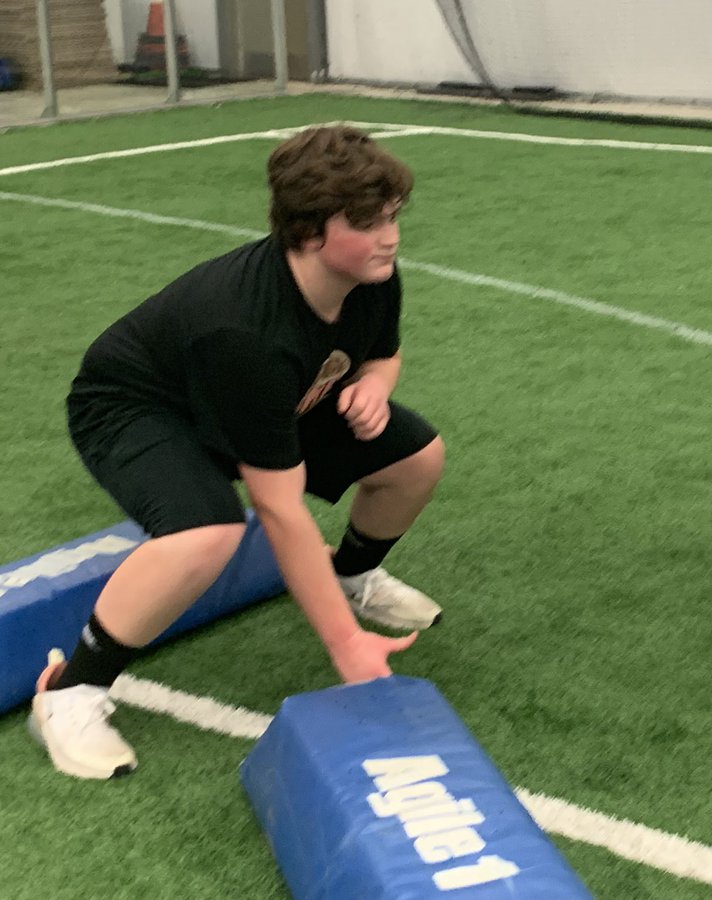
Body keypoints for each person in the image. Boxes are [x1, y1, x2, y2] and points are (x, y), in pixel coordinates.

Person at [29, 125, 446, 780]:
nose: (389, 235)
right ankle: (69, 693)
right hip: (139, 407)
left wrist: (373, 382)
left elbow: (382, 349)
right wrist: (345, 645)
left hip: (275, 398)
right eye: (366, 222)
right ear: (308, 232)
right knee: (206, 533)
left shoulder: (373, 276)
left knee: (417, 459)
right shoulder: (246, 332)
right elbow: (277, 508)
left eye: (392, 216)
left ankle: (349, 575)